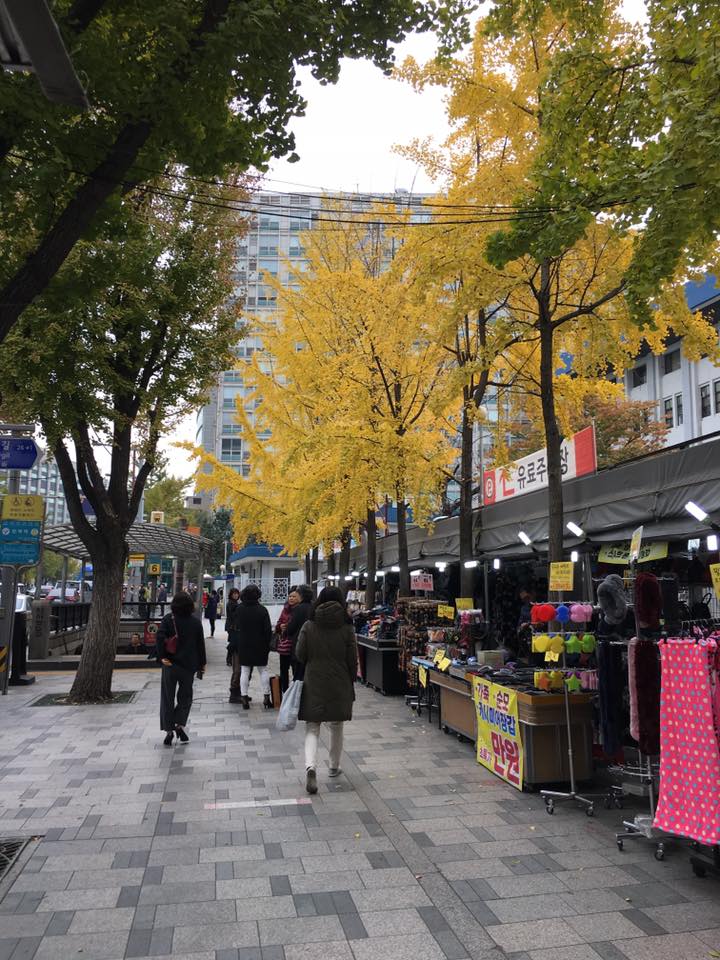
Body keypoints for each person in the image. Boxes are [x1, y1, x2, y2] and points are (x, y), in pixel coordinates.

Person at [295, 586, 358, 795]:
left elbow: (300, 654)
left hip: (314, 679)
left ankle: (310, 767)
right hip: (339, 680)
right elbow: (352, 659)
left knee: (312, 726)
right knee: (336, 724)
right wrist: (351, 681)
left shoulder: (309, 625)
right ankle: (333, 766)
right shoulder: (347, 627)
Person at [156, 591, 206, 746]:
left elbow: (160, 638)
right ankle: (179, 724)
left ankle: (168, 731)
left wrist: (162, 657)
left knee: (167, 697)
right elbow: (200, 644)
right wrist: (202, 664)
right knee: (186, 697)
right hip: (188, 666)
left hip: (170, 665)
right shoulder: (195, 622)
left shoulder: (168, 619)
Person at [227, 584, 272, 709]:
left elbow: (235, 626)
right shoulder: (262, 610)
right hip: (260, 644)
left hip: (244, 644)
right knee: (263, 670)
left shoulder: (239, 609)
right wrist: (267, 644)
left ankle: (244, 697)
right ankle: (266, 697)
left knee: (245, 671)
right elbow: (268, 630)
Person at [284, 584, 313, 682]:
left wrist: (286, 629)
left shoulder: (298, 609)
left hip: (299, 644)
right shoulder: (314, 607)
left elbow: (291, 629)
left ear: (301, 595)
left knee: (298, 677)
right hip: (313, 646)